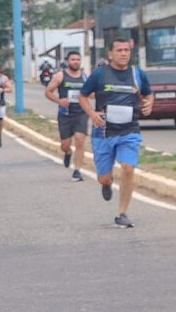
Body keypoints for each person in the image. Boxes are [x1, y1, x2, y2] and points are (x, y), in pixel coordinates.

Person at [78, 38, 154, 228]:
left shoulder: (137, 74)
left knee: (128, 168)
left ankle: (122, 213)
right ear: (110, 54)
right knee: (103, 177)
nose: (123, 53)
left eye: (126, 50)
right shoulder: (99, 74)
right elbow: (82, 95)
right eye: (119, 50)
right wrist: (92, 113)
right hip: (103, 131)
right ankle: (106, 183)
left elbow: (148, 93)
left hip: (129, 130)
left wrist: (149, 103)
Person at [44, 50, 89, 182]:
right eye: (73, 59)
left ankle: (77, 171)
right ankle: (68, 152)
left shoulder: (85, 76)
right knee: (65, 144)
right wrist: (59, 101)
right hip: (65, 114)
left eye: (78, 59)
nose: (75, 62)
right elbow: (48, 92)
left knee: (80, 140)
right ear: (67, 61)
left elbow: (91, 93)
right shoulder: (59, 76)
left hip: (81, 113)